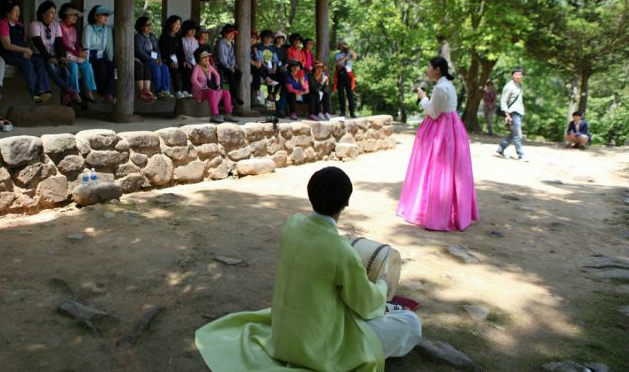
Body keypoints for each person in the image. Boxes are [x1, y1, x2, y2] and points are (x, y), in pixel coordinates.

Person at [196, 166, 422, 372]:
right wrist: (382, 284)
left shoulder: (291, 225)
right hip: (320, 348)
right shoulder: (341, 251)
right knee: (410, 323)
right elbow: (367, 305)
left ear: (310, 194)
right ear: (346, 203)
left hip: (283, 337)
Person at [397, 57, 479, 231]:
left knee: (436, 168)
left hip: (441, 130)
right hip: (452, 127)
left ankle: (435, 214)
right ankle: (453, 212)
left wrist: (423, 98)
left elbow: (433, 113)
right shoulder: (449, 85)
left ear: (437, 70)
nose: (428, 71)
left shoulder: (440, 88)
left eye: (429, 68)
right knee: (451, 170)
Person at [0, 0, 51, 104]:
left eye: (19, 10)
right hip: (7, 54)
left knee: (39, 60)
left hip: (20, 52)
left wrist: (26, 50)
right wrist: (24, 50)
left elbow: (24, 41)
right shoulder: (2, 24)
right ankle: (35, 94)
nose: (18, 13)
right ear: (7, 12)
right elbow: (7, 45)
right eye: (15, 10)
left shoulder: (19, 25)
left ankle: (44, 90)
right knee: (27, 64)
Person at [29, 0, 79, 106]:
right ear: (43, 13)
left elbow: (59, 43)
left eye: (54, 13)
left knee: (65, 69)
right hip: (39, 55)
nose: (54, 15)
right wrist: (49, 58)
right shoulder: (34, 24)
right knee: (49, 65)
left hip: (54, 55)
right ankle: (69, 90)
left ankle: (65, 96)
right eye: (51, 12)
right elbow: (39, 45)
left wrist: (61, 57)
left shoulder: (56, 25)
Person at [59, 3, 97, 104]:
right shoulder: (59, 26)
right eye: (72, 14)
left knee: (87, 65)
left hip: (74, 53)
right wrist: (76, 53)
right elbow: (63, 44)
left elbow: (76, 43)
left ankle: (88, 91)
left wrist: (80, 51)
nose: (75, 17)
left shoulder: (74, 28)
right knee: (74, 67)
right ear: (64, 14)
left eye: (76, 15)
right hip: (63, 54)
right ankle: (74, 92)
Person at [191, 49, 237, 124]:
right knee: (212, 92)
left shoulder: (209, 66)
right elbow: (193, 80)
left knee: (226, 92)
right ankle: (214, 115)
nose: (207, 59)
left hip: (208, 90)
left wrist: (218, 85)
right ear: (199, 59)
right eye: (204, 57)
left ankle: (228, 114)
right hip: (199, 92)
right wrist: (201, 87)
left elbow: (217, 75)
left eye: (207, 56)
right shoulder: (197, 67)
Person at [134, 16, 172, 100]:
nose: (149, 26)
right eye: (147, 25)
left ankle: (166, 90)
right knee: (156, 68)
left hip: (155, 59)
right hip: (145, 60)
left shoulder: (152, 36)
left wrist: (159, 58)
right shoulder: (138, 37)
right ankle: (159, 91)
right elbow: (139, 52)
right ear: (141, 27)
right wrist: (152, 60)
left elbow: (157, 49)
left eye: (150, 24)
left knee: (165, 67)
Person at [82, 5, 115, 102]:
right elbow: (86, 45)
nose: (106, 17)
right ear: (95, 16)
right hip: (91, 55)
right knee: (101, 66)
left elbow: (109, 47)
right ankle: (102, 93)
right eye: (103, 15)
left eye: (107, 15)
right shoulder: (88, 28)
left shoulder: (108, 30)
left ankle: (108, 93)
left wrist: (110, 59)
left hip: (101, 56)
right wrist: (86, 61)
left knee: (111, 65)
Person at [496, 67, 525, 160]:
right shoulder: (509, 86)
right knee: (518, 134)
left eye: (520, 74)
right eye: (516, 74)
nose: (518, 76)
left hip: (519, 111)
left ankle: (501, 148)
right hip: (512, 112)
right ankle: (521, 154)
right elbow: (503, 101)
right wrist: (507, 114)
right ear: (512, 75)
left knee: (514, 133)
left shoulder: (519, 85)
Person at [159, 15, 189, 98]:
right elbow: (164, 52)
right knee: (174, 67)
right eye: (176, 24)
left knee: (187, 67)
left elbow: (181, 52)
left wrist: (184, 61)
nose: (178, 26)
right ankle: (177, 91)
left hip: (177, 61)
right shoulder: (164, 37)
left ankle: (185, 90)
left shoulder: (178, 38)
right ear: (170, 24)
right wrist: (171, 61)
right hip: (167, 61)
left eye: (179, 24)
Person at [213, 24, 243, 105]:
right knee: (230, 73)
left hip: (228, 65)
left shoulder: (231, 44)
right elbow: (221, 58)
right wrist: (229, 67)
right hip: (219, 65)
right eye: (230, 33)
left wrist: (232, 65)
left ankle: (232, 96)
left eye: (233, 34)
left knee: (238, 73)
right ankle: (235, 95)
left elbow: (232, 56)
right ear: (224, 33)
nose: (232, 35)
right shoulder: (220, 42)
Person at [334, 41, 357, 118]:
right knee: (341, 93)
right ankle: (343, 111)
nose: (343, 47)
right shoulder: (338, 54)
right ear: (339, 47)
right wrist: (345, 57)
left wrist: (350, 49)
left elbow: (355, 57)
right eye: (341, 45)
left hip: (349, 74)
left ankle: (352, 112)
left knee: (350, 94)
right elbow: (338, 63)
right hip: (341, 74)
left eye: (344, 45)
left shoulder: (350, 53)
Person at [179, 20, 199, 98]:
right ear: (186, 30)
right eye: (191, 29)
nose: (193, 31)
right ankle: (186, 90)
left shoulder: (195, 41)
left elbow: (197, 54)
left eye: (194, 29)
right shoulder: (181, 40)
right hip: (183, 63)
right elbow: (180, 54)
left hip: (194, 62)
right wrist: (185, 61)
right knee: (188, 69)